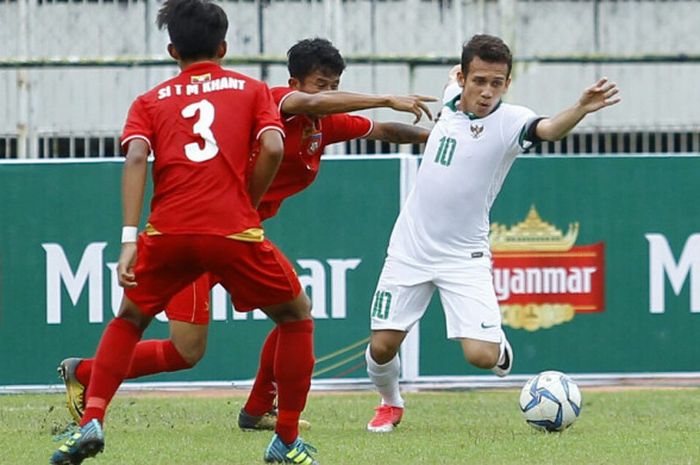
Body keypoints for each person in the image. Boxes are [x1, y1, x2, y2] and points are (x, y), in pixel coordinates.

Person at [56, 38, 433, 438]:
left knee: (293, 313)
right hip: (210, 228)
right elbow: (303, 105)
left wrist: (438, 136)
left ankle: (257, 409)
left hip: (240, 237)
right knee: (186, 351)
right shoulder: (274, 101)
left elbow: (385, 131)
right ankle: (84, 373)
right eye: (320, 83)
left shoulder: (324, 125)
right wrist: (387, 97)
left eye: (335, 84)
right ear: (293, 82)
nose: (329, 94)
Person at [51, 1, 319, 464]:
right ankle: (287, 439)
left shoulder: (149, 100)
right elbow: (274, 145)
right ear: (224, 46)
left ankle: (91, 418)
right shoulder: (252, 89)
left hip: (167, 231)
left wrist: (129, 239)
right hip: (232, 229)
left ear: (172, 49)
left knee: (129, 320)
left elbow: (136, 159)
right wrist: (247, 204)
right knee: (295, 317)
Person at [364, 34, 620, 433]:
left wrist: (580, 109)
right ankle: (390, 403)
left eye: (496, 83)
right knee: (381, 347)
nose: (486, 92)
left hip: (464, 256)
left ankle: (500, 349)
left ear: (508, 84)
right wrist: (458, 80)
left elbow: (549, 129)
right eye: (479, 81)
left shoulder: (511, 122)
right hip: (409, 249)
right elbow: (454, 85)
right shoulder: (450, 98)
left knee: (482, 358)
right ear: (463, 78)